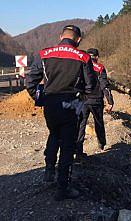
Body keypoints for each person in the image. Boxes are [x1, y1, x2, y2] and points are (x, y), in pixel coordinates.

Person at [26, 25, 97, 201]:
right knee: (67, 144)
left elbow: (30, 81)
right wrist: (82, 99)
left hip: (50, 104)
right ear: (78, 39)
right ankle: (62, 187)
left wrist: (40, 98)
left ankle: (49, 169)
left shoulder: (44, 54)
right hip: (72, 104)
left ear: (60, 36)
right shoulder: (83, 57)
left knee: (54, 133)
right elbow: (90, 85)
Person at [76, 48, 113, 159]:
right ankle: (101, 145)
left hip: (83, 100)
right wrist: (110, 101)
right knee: (99, 122)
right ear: (97, 57)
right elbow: (104, 85)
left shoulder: (81, 66)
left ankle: (78, 151)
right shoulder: (100, 68)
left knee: (81, 125)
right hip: (96, 100)